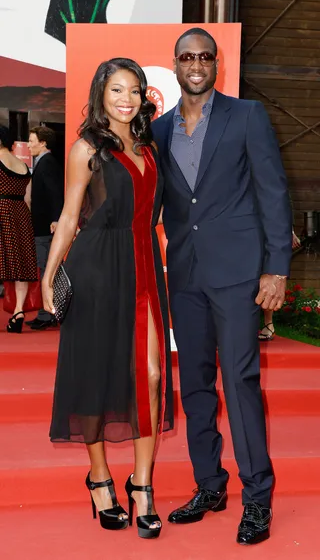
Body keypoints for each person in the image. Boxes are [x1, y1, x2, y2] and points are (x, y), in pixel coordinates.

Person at [152, 28, 292, 545]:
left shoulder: (247, 116)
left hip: (237, 275)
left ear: (217, 64)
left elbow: (273, 192)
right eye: (187, 56)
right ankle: (209, 484)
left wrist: (276, 268)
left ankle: (257, 498)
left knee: (240, 383)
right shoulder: (160, 129)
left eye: (204, 56)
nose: (196, 64)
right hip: (185, 274)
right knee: (195, 387)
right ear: (175, 64)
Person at [42, 58, 173, 538]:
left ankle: (142, 484)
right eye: (116, 89)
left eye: (134, 90)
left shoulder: (149, 146)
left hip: (141, 267)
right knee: (95, 375)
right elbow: (71, 214)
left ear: (143, 97)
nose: (126, 98)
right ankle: (99, 477)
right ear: (100, 93)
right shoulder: (85, 148)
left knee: (153, 375)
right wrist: (49, 274)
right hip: (96, 269)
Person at [26, 126, 64, 330]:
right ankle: (48, 312)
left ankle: (47, 313)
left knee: (47, 269)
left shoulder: (47, 163)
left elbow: (55, 193)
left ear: (43, 143)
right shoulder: (44, 162)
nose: (29, 144)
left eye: (32, 141)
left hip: (46, 228)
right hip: (43, 226)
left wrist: (56, 219)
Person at [0, 125, 37, 333]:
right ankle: (18, 310)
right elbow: (28, 198)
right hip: (20, 214)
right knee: (19, 267)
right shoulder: (23, 165)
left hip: (2, 210)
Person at [259, 229, 300, 340]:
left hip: (266, 235)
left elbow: (279, 213)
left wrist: (290, 232)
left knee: (266, 278)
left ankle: (268, 324)